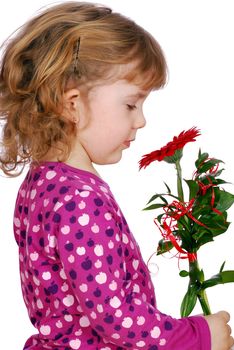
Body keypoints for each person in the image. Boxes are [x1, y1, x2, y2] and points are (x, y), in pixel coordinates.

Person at [0, 2, 233, 349]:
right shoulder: (78, 200)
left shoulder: (43, 183)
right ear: (72, 103)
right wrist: (199, 336)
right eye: (131, 104)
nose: (141, 120)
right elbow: (117, 319)